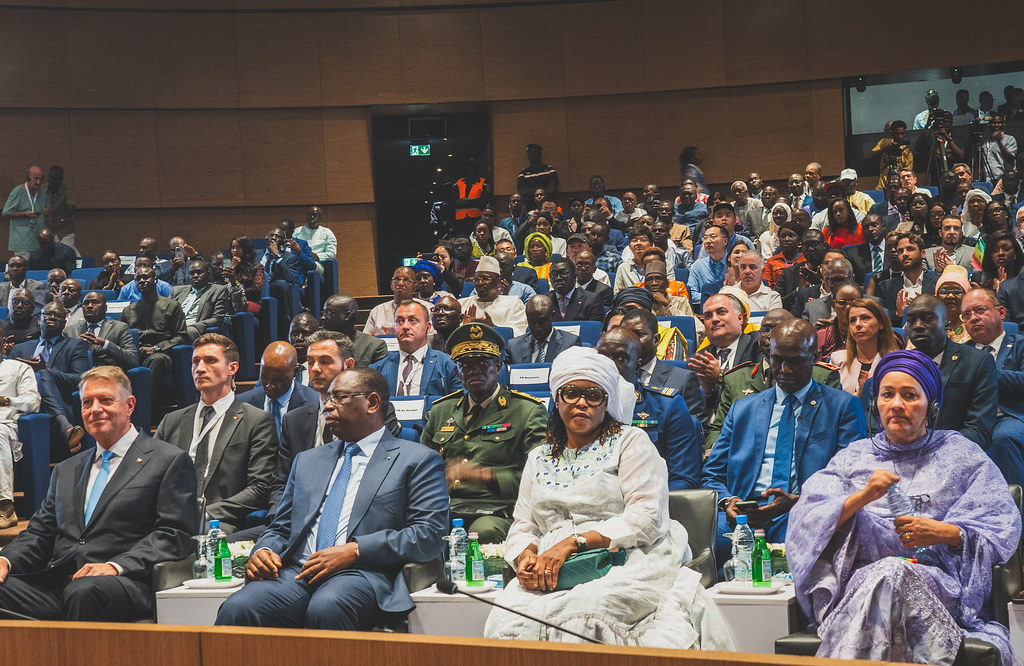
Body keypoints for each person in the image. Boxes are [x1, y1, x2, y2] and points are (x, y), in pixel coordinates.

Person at [787, 350, 1021, 665]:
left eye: (910, 395)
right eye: (887, 394)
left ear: (932, 406)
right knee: (888, 572)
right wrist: (862, 497)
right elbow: (806, 522)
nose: (897, 404)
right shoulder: (852, 459)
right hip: (861, 590)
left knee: (894, 572)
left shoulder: (963, 456)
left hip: (942, 587)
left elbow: (1000, 528)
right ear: (875, 403)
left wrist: (946, 533)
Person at [215, 367, 449, 631]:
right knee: (238, 607)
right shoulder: (308, 460)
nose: (327, 406)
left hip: (363, 573)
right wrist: (264, 550)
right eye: (328, 398)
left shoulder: (416, 460)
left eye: (338, 397)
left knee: (328, 605)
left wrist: (356, 550)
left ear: (371, 403)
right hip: (297, 571)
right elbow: (281, 527)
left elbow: (429, 534)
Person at [0, 366, 198, 622]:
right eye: (87, 402)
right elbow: (39, 533)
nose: (95, 409)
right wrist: (6, 560)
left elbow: (174, 535)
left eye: (105, 400)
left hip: (125, 581)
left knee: (83, 592)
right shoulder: (66, 469)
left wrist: (115, 566)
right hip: (61, 582)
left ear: (130, 405)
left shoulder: (167, 460)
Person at [703, 319, 866, 567]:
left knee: (803, 536)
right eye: (778, 359)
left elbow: (851, 478)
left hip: (803, 509)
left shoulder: (842, 406)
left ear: (815, 356)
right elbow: (712, 474)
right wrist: (729, 502)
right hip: (743, 513)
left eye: (796, 361)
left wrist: (798, 501)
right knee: (705, 540)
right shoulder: (743, 409)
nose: (785, 370)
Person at [421, 323, 547, 543]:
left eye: (483, 363)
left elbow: (541, 477)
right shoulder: (442, 410)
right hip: (446, 506)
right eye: (465, 364)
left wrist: (483, 475)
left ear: (498, 367)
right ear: (456, 371)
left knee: (481, 532)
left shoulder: (527, 411)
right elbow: (421, 467)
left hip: (497, 509)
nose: (474, 370)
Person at [155, 334, 277, 534]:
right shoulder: (172, 421)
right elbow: (151, 477)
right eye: (195, 362)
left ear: (232, 368)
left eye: (210, 360)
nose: (200, 368)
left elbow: (259, 488)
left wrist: (200, 513)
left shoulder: (256, 420)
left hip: (217, 522)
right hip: (168, 520)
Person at [273, 330, 402, 514]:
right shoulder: (294, 421)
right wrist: (278, 520)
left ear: (348, 364)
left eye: (325, 361)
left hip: (355, 511)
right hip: (300, 515)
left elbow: (382, 472)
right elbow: (281, 482)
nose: (315, 369)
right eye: (310, 362)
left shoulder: (374, 412)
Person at [706, 309, 843, 450]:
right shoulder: (736, 378)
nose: (771, 335)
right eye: (766, 329)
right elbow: (718, 428)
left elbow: (831, 429)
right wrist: (715, 448)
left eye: (779, 329)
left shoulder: (822, 376)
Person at [597, 328, 702, 489]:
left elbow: (683, 480)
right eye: (602, 357)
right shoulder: (581, 407)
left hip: (649, 500)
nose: (609, 365)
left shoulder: (667, 405)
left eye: (620, 358)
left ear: (637, 365)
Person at [894, 295, 997, 448]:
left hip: (954, 456)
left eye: (928, 318)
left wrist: (930, 451)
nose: (917, 326)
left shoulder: (977, 362)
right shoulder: (896, 367)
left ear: (946, 323)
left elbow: (979, 430)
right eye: (910, 320)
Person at [961, 288, 1024, 487]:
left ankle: (1013, 510)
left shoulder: (1020, 345)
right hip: (972, 419)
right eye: (966, 315)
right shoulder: (961, 353)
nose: (973, 318)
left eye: (980, 310)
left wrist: (985, 371)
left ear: (1001, 312)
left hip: (1011, 416)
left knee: (1002, 438)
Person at [119, 267, 188, 398]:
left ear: (155, 279)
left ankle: (142, 406)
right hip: (135, 353)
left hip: (162, 353)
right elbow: (122, 336)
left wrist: (156, 348)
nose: (142, 281)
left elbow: (182, 337)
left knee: (157, 360)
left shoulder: (171, 305)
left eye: (146, 277)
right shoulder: (129, 310)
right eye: (138, 279)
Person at [370, 300, 461, 397]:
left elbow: (457, 405)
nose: (405, 326)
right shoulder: (377, 369)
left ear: (428, 327)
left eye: (412, 320)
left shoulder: (448, 365)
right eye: (399, 321)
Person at [688, 293, 761, 407]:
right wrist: (708, 392)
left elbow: (760, 390)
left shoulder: (758, 345)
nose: (715, 319)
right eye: (708, 316)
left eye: (721, 312)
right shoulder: (698, 359)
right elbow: (694, 409)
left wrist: (721, 376)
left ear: (740, 318)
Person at [0, 331, 40, 528]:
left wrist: (7, 400)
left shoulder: (18, 368)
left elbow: (33, 402)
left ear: (4, 343)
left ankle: (5, 506)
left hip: (6, 424)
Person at [237, 341, 319, 437]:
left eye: (278, 380)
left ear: (295, 372)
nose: (269, 385)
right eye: (264, 377)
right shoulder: (242, 404)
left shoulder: (314, 403)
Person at [828, 298, 901, 396]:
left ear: (881, 324)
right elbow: (829, 401)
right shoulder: (837, 359)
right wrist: (859, 395)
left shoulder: (895, 362)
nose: (857, 324)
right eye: (852, 320)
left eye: (865, 318)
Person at [64, 291, 138, 371]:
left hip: (107, 375)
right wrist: (75, 345)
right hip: (78, 376)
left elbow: (133, 359)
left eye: (95, 302)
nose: (89, 306)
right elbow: (61, 360)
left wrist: (105, 343)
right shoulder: (70, 330)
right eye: (86, 303)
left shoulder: (120, 328)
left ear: (105, 308)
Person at [876, 233, 939, 326]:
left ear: (923, 253)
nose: (904, 254)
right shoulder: (885, 287)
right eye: (900, 251)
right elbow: (881, 322)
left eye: (910, 249)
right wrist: (899, 313)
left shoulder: (937, 283)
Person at [459, 255, 528, 336]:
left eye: (485, 279)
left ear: (498, 282)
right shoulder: (462, 304)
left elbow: (519, 334)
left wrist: (492, 328)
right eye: (477, 279)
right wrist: (464, 328)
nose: (480, 283)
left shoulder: (513, 303)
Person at [506, 295, 581, 364]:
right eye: (532, 322)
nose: (537, 328)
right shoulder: (514, 346)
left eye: (542, 322)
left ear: (553, 316)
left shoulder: (570, 344)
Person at [320, 294, 388, 368]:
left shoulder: (374, 346)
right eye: (324, 312)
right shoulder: (318, 343)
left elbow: (379, 377)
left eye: (329, 313)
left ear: (347, 316)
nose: (323, 317)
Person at [170, 260, 230, 342]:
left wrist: (194, 325)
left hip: (193, 328)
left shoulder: (219, 290)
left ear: (208, 274)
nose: (195, 276)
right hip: (174, 326)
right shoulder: (176, 291)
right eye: (192, 273)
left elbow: (217, 319)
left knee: (188, 332)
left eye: (199, 272)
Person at [364, 266, 425, 336]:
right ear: (391, 285)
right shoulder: (377, 311)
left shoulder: (425, 309)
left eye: (406, 280)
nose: (400, 283)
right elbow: (366, 340)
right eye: (397, 279)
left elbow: (430, 338)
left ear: (414, 287)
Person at [2, 165, 46, 257]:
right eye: (35, 179)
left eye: (41, 179)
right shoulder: (18, 191)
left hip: (39, 242)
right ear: (27, 178)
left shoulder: (42, 192)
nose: (38, 182)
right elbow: (5, 213)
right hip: (23, 243)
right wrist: (24, 214)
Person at [548, 258, 603, 322]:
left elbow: (593, 330)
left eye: (564, 273)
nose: (558, 278)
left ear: (574, 277)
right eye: (554, 274)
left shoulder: (591, 300)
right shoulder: (543, 302)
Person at [686, 224, 728, 303]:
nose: (708, 241)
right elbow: (692, 294)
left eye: (713, 237)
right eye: (705, 238)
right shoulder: (697, 266)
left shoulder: (734, 264)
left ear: (725, 241)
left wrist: (707, 295)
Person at [292, 205, 337, 273]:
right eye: (310, 215)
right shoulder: (297, 231)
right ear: (306, 217)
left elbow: (332, 253)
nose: (312, 217)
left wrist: (317, 256)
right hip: (300, 261)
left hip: (318, 264)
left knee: (310, 265)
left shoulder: (327, 232)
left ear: (320, 218)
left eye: (315, 215)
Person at [228, 235, 265, 314]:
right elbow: (224, 287)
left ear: (245, 249)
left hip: (250, 301)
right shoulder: (230, 267)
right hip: (231, 301)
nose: (234, 250)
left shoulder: (257, 267)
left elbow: (256, 289)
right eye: (232, 247)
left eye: (238, 247)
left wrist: (237, 293)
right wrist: (232, 268)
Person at [871, 120, 913, 190]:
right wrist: (886, 149)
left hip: (900, 186)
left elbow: (907, 172)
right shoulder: (884, 142)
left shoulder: (907, 152)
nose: (900, 137)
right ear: (892, 133)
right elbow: (872, 155)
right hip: (883, 184)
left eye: (902, 134)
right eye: (897, 134)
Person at [453, 158, 490, 234]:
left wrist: (463, 202)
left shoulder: (484, 183)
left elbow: (482, 202)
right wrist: (473, 202)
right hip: (460, 220)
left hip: (477, 219)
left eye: (474, 167)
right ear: (466, 168)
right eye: (469, 166)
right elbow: (454, 203)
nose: (471, 169)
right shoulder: (458, 183)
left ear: (477, 169)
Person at [981, 114, 1018, 183]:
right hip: (987, 179)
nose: (996, 125)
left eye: (999, 122)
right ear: (989, 124)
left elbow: (1010, 159)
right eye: (993, 123)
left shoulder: (1010, 139)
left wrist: (999, 141)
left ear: (1003, 124)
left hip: (1003, 179)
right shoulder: (985, 141)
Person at [288, 311, 319, 385]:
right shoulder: (277, 366)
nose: (299, 338)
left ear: (317, 337)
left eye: (306, 334)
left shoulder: (324, 369)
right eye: (295, 334)